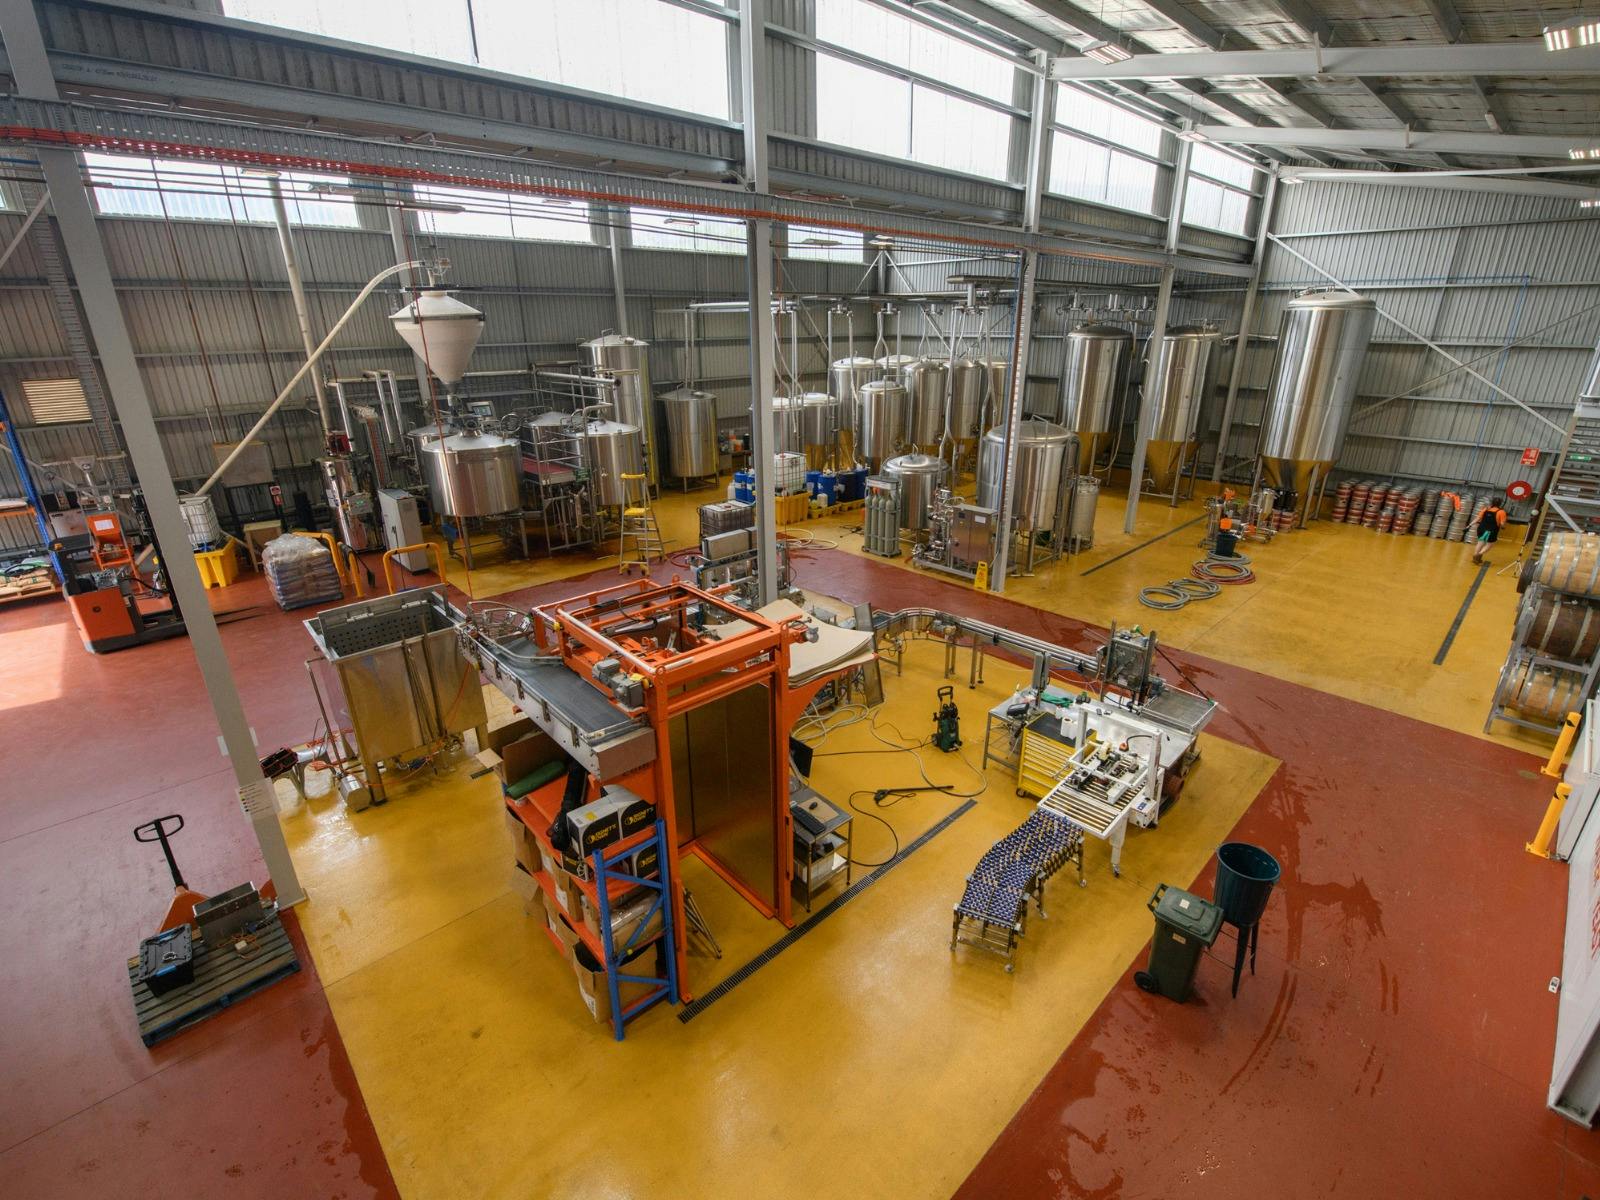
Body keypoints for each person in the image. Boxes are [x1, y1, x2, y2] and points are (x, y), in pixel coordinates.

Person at [1472, 499, 1508, 564]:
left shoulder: (1486, 509)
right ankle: (1479, 555)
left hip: (1481, 528)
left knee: (1480, 543)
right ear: (1500, 504)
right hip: (1491, 530)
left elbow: (1478, 518)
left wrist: (1469, 525)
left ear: (1492, 503)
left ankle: (1475, 557)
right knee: (1490, 544)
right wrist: (1503, 527)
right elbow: (1502, 524)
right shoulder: (1501, 512)